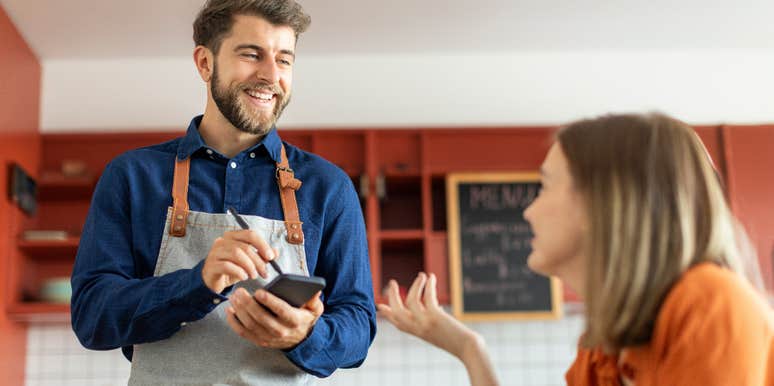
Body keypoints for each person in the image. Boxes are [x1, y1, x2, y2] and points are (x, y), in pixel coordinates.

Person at [70, 0, 376, 384]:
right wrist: (195, 284)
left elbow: (358, 326)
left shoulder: (327, 187)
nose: (270, 75)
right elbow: (92, 317)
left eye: (284, 59)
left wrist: (305, 335)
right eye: (252, 54)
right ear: (205, 63)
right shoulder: (132, 176)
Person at [378, 113, 774, 386]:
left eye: (546, 186)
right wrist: (469, 348)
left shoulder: (711, 304)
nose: (529, 210)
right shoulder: (603, 346)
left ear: (601, 202)